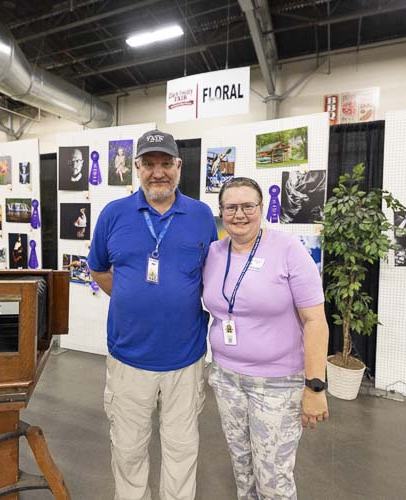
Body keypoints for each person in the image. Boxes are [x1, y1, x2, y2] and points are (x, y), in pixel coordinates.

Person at [88, 129, 217, 500]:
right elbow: (98, 269)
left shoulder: (201, 215)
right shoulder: (114, 214)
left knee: (181, 448)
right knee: (128, 449)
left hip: (185, 358)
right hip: (128, 356)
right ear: (136, 168)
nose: (157, 172)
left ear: (179, 166)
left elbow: (210, 272)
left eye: (165, 164)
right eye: (149, 164)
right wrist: (133, 298)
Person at [202, 177, 330, 499]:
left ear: (262, 209)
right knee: (242, 469)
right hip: (226, 379)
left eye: (248, 206)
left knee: (273, 478)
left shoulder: (288, 249)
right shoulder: (214, 253)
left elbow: (315, 320)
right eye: (231, 207)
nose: (240, 214)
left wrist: (315, 386)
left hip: (277, 384)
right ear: (221, 211)